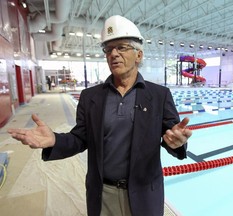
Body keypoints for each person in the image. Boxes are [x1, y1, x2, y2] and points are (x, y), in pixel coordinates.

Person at [8, 15, 192, 216]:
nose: (113, 54)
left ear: (138, 55)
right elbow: (80, 138)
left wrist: (177, 143)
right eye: (108, 49)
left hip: (144, 193)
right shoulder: (90, 97)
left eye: (121, 47)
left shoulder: (159, 95)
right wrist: (55, 140)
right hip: (103, 194)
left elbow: (173, 135)